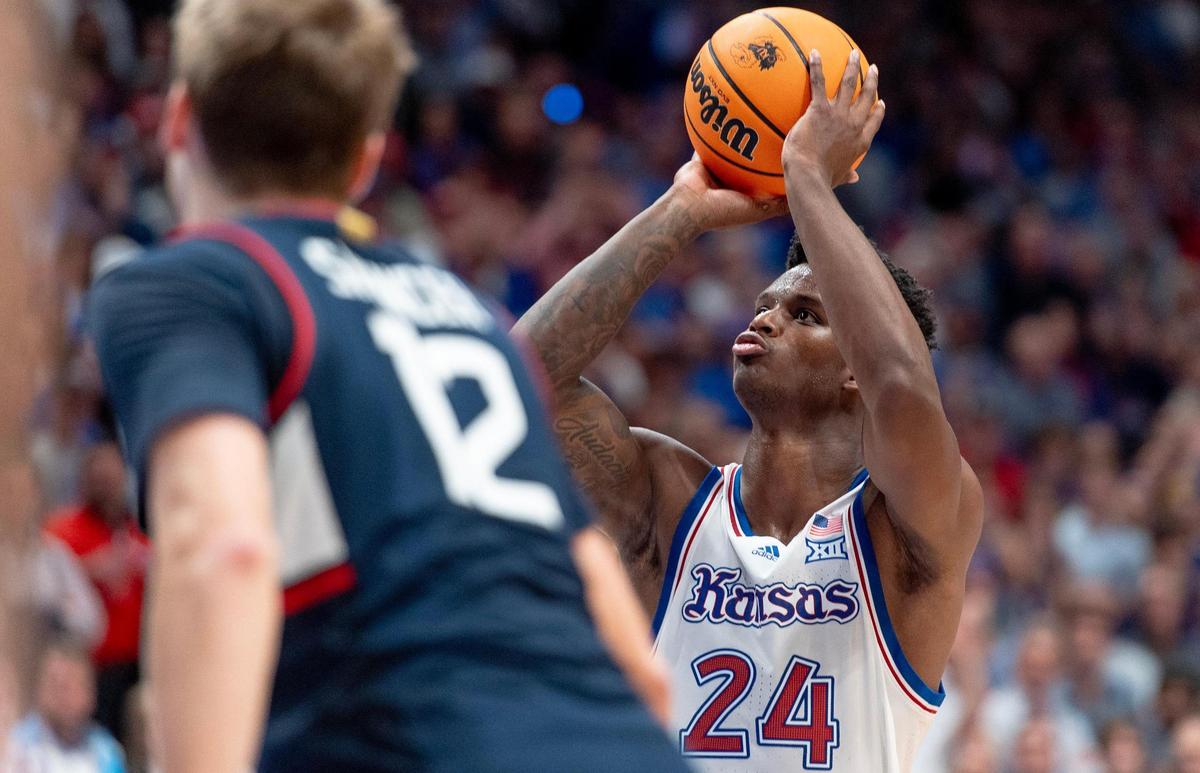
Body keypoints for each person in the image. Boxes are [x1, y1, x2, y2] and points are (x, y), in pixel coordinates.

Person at [88, 1, 685, 772]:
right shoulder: (464, 312)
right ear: (366, 160)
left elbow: (221, 546)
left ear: (177, 119)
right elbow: (632, 658)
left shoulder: (194, 280)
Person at [516, 49, 983, 771]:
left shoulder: (904, 527)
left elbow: (901, 383)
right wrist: (681, 211)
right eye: (765, 304)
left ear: (854, 369)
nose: (766, 318)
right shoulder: (672, 500)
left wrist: (807, 177)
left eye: (805, 314)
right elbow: (521, 379)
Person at [45, 441, 149, 739]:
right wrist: (91, 568)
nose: (106, 485)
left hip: (141, 660)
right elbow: (46, 578)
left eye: (112, 477)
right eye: (99, 478)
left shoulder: (141, 530)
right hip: (92, 665)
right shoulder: (62, 530)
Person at [5, 638, 126, 773]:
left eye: (72, 685)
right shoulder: (16, 747)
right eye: (56, 684)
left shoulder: (106, 751)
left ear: (91, 693)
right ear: (39, 689)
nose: (62, 696)